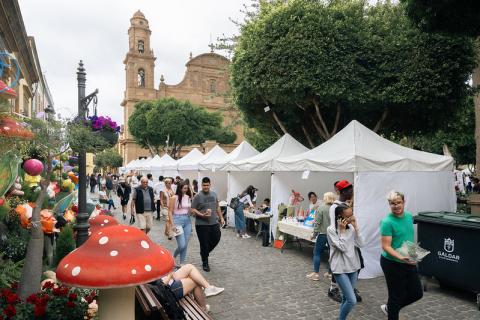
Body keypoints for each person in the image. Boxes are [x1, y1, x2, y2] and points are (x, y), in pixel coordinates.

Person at [380, 191, 423, 319]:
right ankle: (392, 309)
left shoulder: (409, 217)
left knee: (417, 293)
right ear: (389, 204)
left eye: (398, 202)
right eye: (393, 203)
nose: (396, 206)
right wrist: (400, 257)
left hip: (407, 260)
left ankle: (390, 308)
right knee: (395, 296)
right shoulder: (387, 222)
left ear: (404, 202)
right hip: (392, 263)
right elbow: (386, 246)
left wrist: (413, 256)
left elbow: (407, 239)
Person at [327, 180, 362, 303]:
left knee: (356, 264)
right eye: (350, 190)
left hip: (349, 240)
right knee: (340, 266)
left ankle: (349, 289)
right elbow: (334, 227)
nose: (352, 192)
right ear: (343, 191)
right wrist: (341, 240)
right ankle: (334, 289)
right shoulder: (335, 207)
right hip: (341, 241)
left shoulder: (345, 204)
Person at [327, 204, 364, 320]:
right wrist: (342, 232)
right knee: (352, 300)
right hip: (339, 267)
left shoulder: (351, 227)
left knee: (345, 298)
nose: (351, 218)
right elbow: (342, 247)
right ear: (339, 217)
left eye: (351, 214)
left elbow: (361, 244)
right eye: (347, 216)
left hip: (353, 266)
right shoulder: (331, 230)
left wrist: (356, 227)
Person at [158, 264, 224, 312]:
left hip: (164, 279)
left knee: (189, 267)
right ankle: (203, 308)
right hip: (167, 291)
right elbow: (161, 286)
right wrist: (169, 275)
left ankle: (208, 288)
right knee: (195, 281)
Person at [191, 177, 225, 272]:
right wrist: (202, 214)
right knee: (204, 243)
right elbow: (192, 209)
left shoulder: (214, 194)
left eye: (207, 185)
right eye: (204, 185)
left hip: (214, 222)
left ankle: (204, 253)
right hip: (201, 224)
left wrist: (221, 217)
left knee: (217, 238)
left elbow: (217, 206)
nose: (206, 187)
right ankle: (205, 262)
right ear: (201, 185)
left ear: (210, 185)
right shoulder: (198, 196)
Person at [306, 192, 335, 281]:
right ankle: (330, 273)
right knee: (332, 253)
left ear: (325, 198)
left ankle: (316, 273)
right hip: (333, 234)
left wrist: (314, 234)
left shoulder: (321, 208)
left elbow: (317, 223)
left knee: (317, 253)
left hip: (323, 234)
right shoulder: (335, 208)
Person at [167, 182, 193, 265]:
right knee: (182, 245)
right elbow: (170, 212)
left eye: (187, 188)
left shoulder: (188, 197)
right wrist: (172, 224)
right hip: (177, 220)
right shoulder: (174, 198)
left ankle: (182, 263)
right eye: (184, 188)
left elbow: (189, 211)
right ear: (180, 188)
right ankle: (173, 256)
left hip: (187, 220)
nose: (186, 190)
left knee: (185, 244)